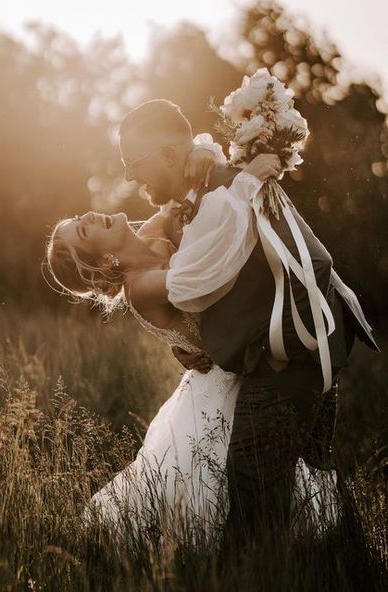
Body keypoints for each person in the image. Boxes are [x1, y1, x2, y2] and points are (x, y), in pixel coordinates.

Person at [117, 98, 379, 552]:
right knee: (311, 485)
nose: (126, 177)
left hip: (288, 355)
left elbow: (306, 261)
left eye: (132, 163)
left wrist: (285, 352)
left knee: (254, 499)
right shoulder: (204, 190)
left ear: (166, 154)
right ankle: (355, 563)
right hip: (296, 352)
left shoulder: (226, 186)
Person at [46, 147, 336, 544]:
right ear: (101, 260)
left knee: (273, 466)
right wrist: (246, 179)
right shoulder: (142, 287)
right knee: (226, 484)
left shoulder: (148, 232)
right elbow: (212, 259)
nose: (88, 217)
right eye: (84, 231)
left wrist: (202, 155)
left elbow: (181, 197)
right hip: (226, 375)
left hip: (239, 360)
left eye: (78, 220)